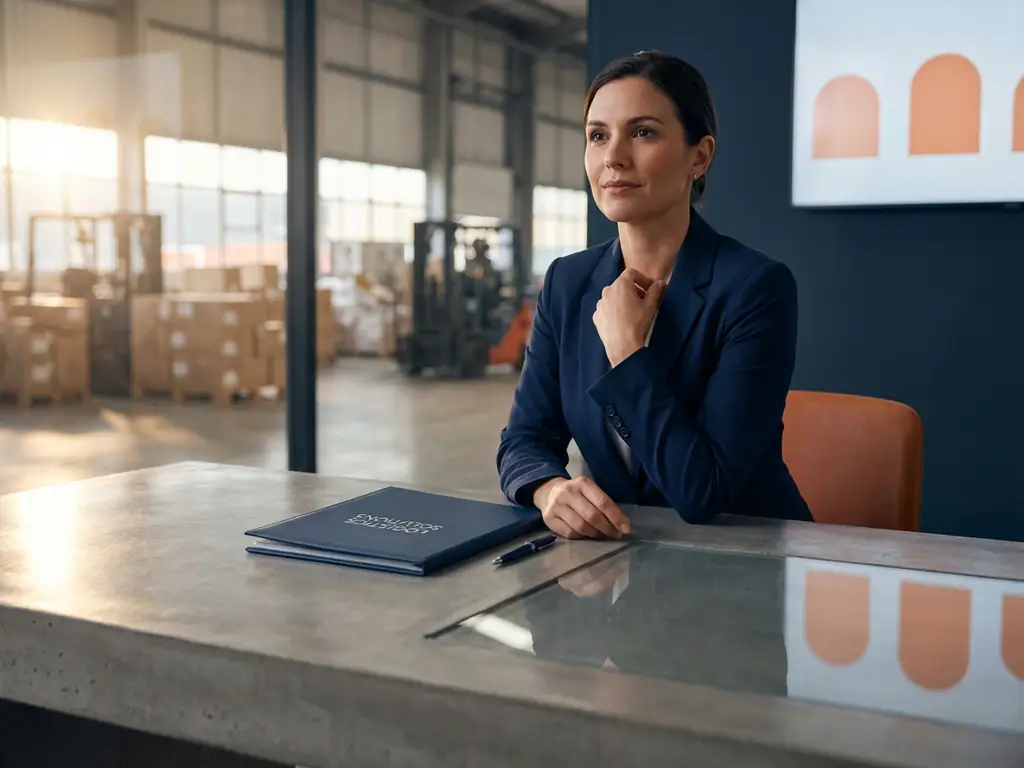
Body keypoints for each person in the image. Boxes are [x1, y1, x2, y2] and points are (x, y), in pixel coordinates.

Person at [496, 51, 812, 538]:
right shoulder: (567, 282)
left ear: (699, 156)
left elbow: (703, 492)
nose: (612, 156)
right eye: (598, 135)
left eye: (642, 132)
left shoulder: (754, 288)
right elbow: (524, 439)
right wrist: (547, 489)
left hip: (745, 562)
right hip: (623, 558)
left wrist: (626, 352)